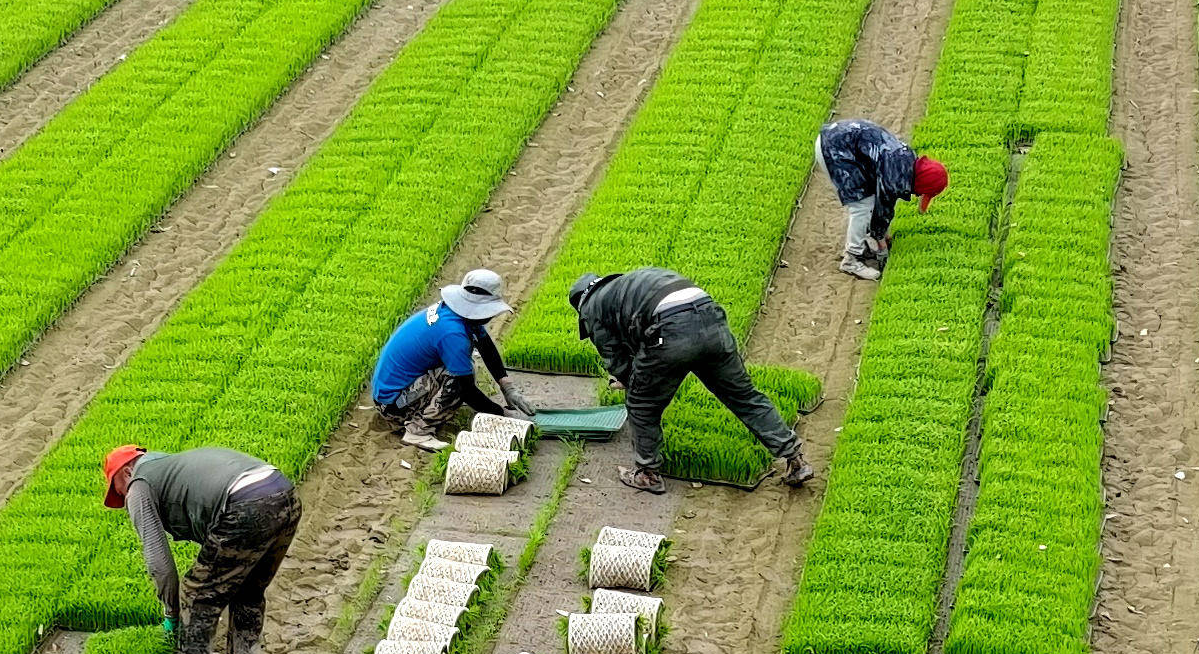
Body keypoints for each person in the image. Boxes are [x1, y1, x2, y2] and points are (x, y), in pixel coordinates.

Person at [565, 270, 810, 500]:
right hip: (711, 320)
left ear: (580, 304)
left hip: (671, 330)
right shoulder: (630, 284)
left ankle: (647, 474)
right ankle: (795, 459)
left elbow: (615, 358)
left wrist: (631, 381)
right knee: (744, 396)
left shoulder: (592, 307)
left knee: (641, 405)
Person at [103, 444, 302, 654]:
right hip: (283, 492)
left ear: (127, 471)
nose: (120, 494)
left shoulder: (138, 485)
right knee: (248, 588)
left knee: (197, 594)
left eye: (116, 486)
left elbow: (159, 564)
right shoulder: (170, 467)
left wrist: (171, 613)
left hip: (246, 504)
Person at [370, 268, 529, 450]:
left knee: (463, 368)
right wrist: (501, 415)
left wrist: (507, 387)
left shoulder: (457, 314)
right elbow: (466, 389)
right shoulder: (453, 333)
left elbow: (486, 346)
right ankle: (418, 431)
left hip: (394, 391)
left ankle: (425, 411)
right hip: (393, 405)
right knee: (456, 380)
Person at [815, 119, 948, 279]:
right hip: (835, 149)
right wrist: (880, 239)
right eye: (922, 193)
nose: (918, 196)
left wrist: (881, 233)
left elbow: (883, 201)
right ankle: (851, 259)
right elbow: (884, 206)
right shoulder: (895, 174)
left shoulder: (906, 162)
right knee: (862, 206)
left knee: (869, 198)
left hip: (841, 138)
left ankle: (864, 240)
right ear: (920, 184)